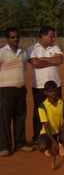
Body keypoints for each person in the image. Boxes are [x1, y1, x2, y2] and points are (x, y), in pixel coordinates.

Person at [0, 27, 33, 156]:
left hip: (20, 89)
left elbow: (23, 69)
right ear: (7, 39)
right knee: (5, 119)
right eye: (12, 37)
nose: (15, 39)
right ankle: (4, 146)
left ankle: (20, 143)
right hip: (5, 89)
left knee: (20, 117)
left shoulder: (23, 53)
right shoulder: (2, 52)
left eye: (17, 37)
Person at [29, 25, 64, 145]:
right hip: (39, 86)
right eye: (51, 36)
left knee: (58, 110)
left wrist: (44, 59)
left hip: (56, 85)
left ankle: (59, 135)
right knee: (39, 112)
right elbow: (35, 63)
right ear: (43, 36)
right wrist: (50, 60)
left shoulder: (56, 47)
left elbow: (60, 60)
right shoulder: (32, 48)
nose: (53, 39)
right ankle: (37, 137)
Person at [37, 81, 64, 156]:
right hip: (47, 133)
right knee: (42, 147)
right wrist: (53, 141)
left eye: (54, 91)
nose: (53, 93)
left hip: (60, 131)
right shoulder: (42, 107)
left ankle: (60, 144)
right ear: (45, 93)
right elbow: (46, 126)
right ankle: (51, 145)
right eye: (50, 92)